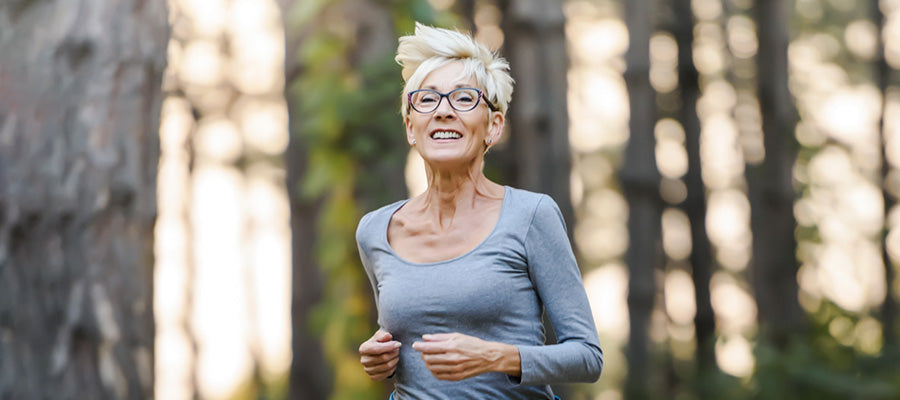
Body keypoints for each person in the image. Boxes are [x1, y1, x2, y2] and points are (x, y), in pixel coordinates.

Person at [355, 22, 603, 399]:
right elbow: (400, 337)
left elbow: (587, 357)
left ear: (494, 126)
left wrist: (494, 356)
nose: (443, 111)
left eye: (464, 98)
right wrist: (380, 358)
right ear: (410, 126)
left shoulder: (531, 215)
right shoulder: (375, 230)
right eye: (427, 99)